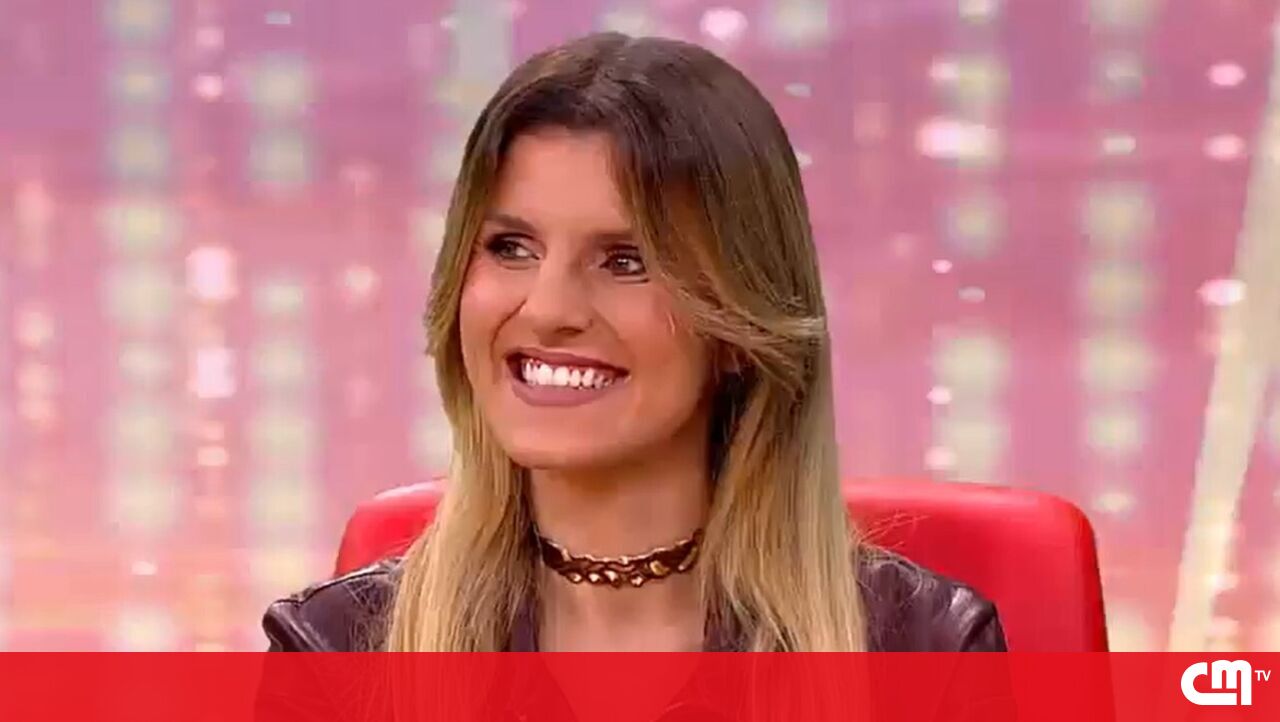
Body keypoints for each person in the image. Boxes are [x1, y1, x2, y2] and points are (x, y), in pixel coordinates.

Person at [263, 31, 1006, 654]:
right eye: (511, 248)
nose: (547, 309)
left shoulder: (924, 653)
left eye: (626, 261)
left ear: (741, 327)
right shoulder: (336, 653)